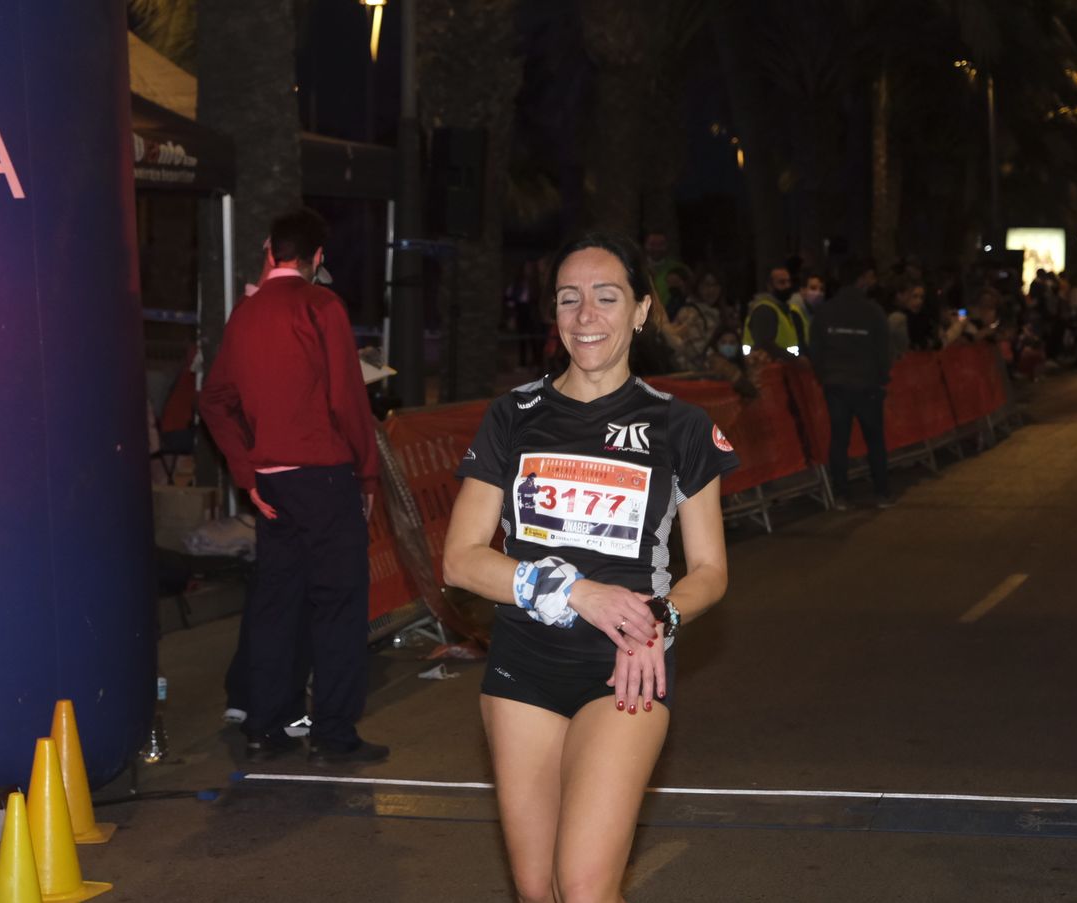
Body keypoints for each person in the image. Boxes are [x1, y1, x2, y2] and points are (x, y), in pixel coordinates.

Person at [444, 232, 736, 903]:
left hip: (625, 672)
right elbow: (461, 560)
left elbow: (711, 570)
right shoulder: (512, 416)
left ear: (640, 311)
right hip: (522, 670)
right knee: (538, 888)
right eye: (569, 299)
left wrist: (658, 618)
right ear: (554, 313)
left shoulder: (681, 426)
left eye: (607, 297)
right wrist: (577, 591)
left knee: (581, 887)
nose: (586, 315)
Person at [199, 208, 388, 764]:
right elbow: (346, 401)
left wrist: (246, 472)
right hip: (325, 478)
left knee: (277, 604)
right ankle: (334, 731)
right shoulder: (322, 306)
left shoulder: (246, 314)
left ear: (268, 249)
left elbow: (215, 402)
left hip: (272, 485)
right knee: (339, 604)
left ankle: (264, 725)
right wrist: (367, 470)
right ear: (317, 258)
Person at [809, 257, 893, 510]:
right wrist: (880, 379)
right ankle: (882, 493)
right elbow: (883, 350)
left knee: (839, 440)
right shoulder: (873, 311)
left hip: (836, 384)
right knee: (875, 440)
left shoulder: (825, 311)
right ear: (861, 279)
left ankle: (842, 495)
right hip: (866, 385)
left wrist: (824, 377)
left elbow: (816, 349)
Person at [743, 265, 806, 358]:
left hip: (785, 367)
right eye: (782, 282)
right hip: (770, 367)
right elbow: (765, 345)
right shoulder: (764, 310)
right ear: (770, 286)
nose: (787, 286)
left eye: (788, 281)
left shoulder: (784, 309)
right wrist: (794, 361)